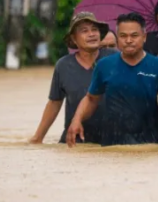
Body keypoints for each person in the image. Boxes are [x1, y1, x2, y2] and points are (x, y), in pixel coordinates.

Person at [66, 12, 158, 147]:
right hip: (112, 147)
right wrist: (76, 120)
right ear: (117, 38)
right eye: (123, 36)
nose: (128, 40)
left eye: (134, 35)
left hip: (150, 147)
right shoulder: (104, 65)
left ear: (144, 37)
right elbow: (91, 99)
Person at [29, 12, 115, 144]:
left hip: (111, 141)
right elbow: (54, 103)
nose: (91, 34)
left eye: (94, 29)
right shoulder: (63, 65)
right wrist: (37, 138)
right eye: (84, 31)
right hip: (74, 141)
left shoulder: (115, 59)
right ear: (74, 39)